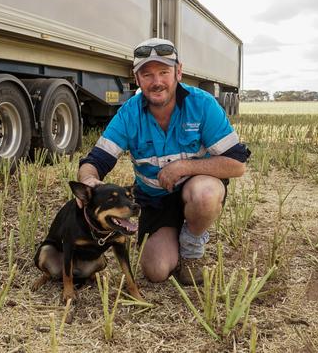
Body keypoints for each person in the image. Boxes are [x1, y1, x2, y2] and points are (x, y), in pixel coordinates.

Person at [77, 38, 250, 285]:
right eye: (147, 74)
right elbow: (95, 161)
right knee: (156, 271)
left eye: (163, 72)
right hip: (155, 200)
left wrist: (184, 166)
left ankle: (191, 250)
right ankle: (173, 235)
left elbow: (237, 164)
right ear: (137, 79)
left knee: (205, 195)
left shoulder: (202, 104)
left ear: (178, 72)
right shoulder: (129, 114)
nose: (156, 82)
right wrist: (88, 180)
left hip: (195, 189)